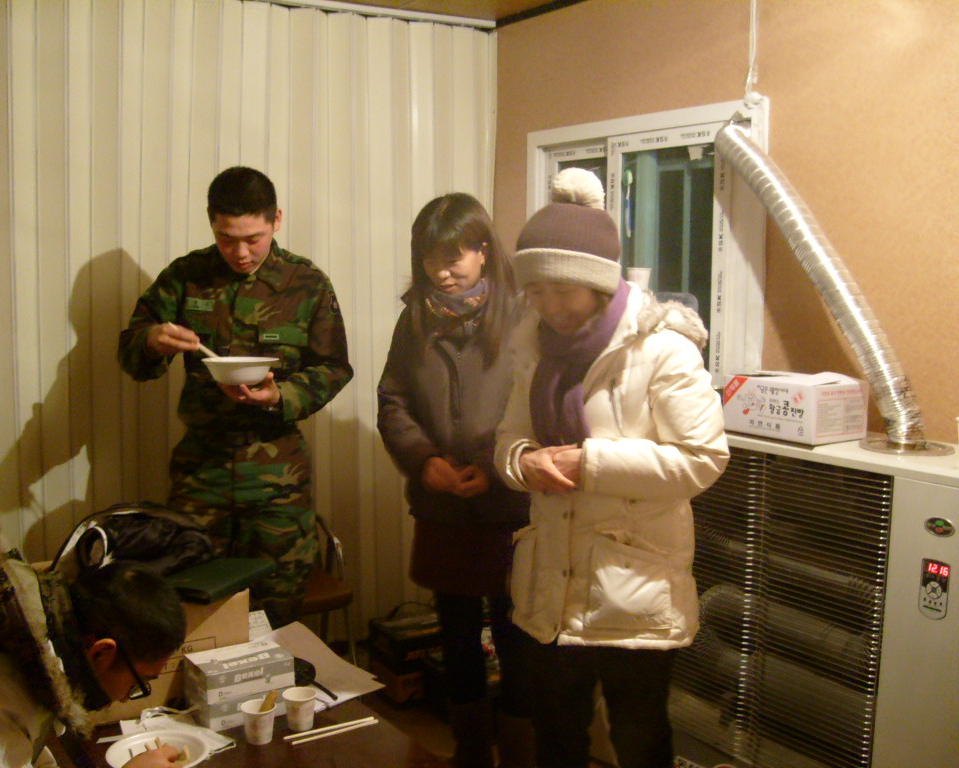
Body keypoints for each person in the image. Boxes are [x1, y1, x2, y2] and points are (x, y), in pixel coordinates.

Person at [494, 168, 729, 768]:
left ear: (599, 285)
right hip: (552, 577)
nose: (549, 306)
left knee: (640, 738)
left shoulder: (662, 348)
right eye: (536, 290)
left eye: (563, 291)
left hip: (635, 585)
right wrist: (524, 462)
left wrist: (591, 462)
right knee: (557, 735)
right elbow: (510, 438)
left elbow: (703, 458)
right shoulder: (533, 345)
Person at [118, 166, 353, 628]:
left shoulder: (306, 283)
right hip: (201, 473)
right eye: (227, 239)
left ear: (276, 220)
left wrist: (281, 395)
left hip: (278, 480)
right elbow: (133, 351)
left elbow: (334, 367)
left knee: (279, 610)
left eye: (253, 239)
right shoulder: (187, 276)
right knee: (193, 606)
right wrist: (152, 341)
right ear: (212, 223)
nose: (241, 253)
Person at [377, 193, 533, 768]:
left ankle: (518, 756)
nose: (441, 272)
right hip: (443, 505)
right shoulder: (415, 318)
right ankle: (470, 754)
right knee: (458, 636)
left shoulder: (523, 313)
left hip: (512, 506)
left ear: (483, 250)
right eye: (429, 259)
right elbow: (392, 401)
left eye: (453, 257)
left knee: (518, 638)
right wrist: (424, 461)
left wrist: (494, 468)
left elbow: (538, 405)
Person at [0, 555, 187, 768]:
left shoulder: (40, 655)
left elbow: (30, 752)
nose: (124, 698)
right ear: (101, 653)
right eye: (136, 684)